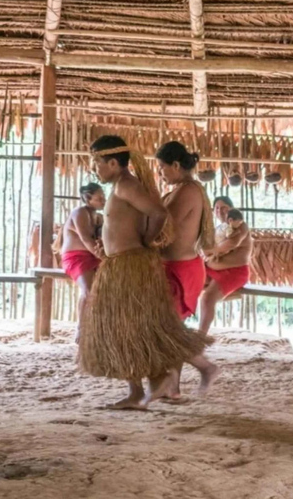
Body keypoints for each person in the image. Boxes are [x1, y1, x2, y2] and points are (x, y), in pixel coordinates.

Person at [78, 135, 211, 410]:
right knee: (128, 330)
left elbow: (158, 213)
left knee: (144, 329)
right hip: (120, 265)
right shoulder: (120, 187)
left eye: (97, 162)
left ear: (113, 162)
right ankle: (140, 391)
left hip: (131, 266)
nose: (94, 169)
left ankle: (187, 373)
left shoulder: (127, 185)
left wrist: (148, 241)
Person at [156, 141, 221, 400]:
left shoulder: (188, 191)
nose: (160, 172)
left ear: (175, 165)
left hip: (182, 269)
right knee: (169, 328)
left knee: (170, 330)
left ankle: (206, 368)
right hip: (174, 266)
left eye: (162, 167)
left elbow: (163, 226)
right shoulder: (181, 189)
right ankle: (172, 387)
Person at [58, 183, 105, 342]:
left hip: (93, 256)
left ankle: (97, 327)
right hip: (75, 257)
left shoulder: (98, 217)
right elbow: (85, 239)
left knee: (101, 291)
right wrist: (103, 258)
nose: (103, 200)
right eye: (99, 197)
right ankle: (81, 328)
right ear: (87, 199)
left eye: (103, 196)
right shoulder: (79, 212)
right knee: (88, 290)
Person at [200, 207, 252, 335]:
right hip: (211, 270)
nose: (220, 211)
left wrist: (211, 251)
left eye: (223, 208)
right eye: (217, 208)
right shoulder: (219, 228)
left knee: (207, 299)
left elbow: (231, 243)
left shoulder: (241, 226)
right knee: (184, 282)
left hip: (235, 272)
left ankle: (200, 336)